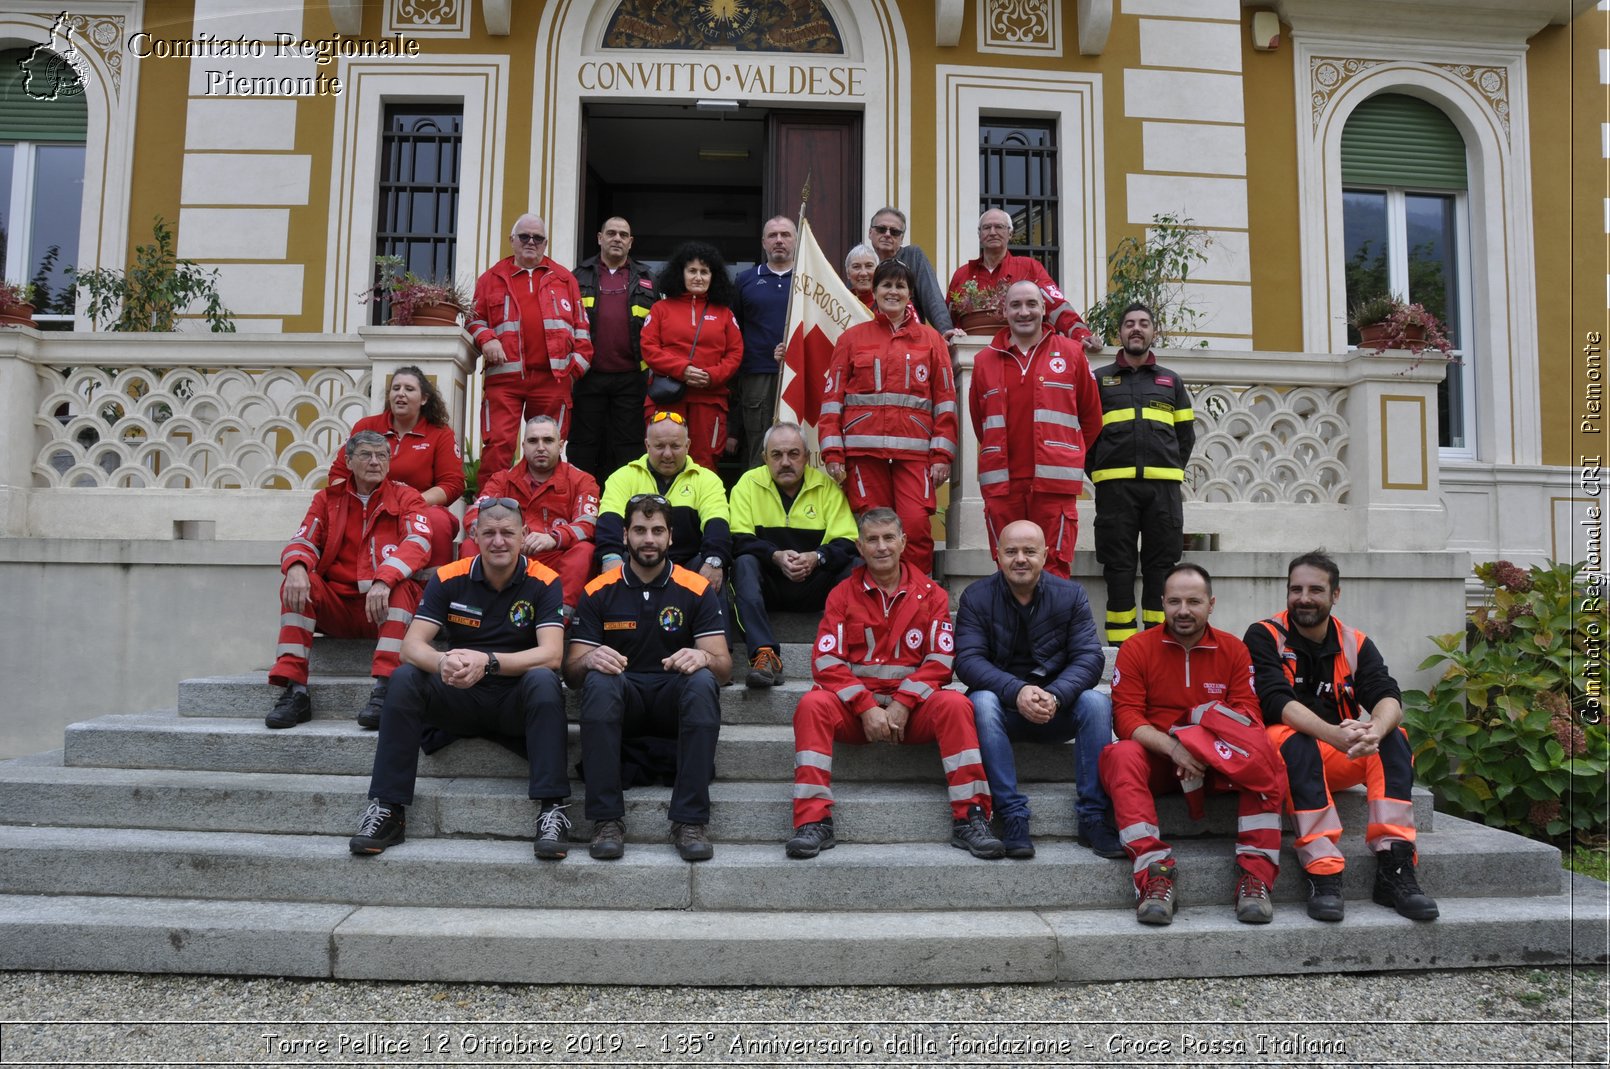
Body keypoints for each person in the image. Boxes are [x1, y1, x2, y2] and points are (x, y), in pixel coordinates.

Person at [348, 498, 572, 859]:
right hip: (458, 693)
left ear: (524, 535)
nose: (498, 541)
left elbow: (552, 654)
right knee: (405, 677)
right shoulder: (449, 577)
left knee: (545, 680)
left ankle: (552, 810)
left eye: (507, 533)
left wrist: (489, 662)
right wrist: (442, 663)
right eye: (489, 533)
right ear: (474, 536)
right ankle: (388, 809)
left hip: (513, 699)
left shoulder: (545, 581)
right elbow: (411, 647)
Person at [786, 508, 1003, 861]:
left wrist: (903, 702)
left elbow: (941, 660)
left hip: (912, 714)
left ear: (904, 542)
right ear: (859, 546)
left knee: (956, 705)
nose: (881, 546)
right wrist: (865, 706)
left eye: (889, 538)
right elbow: (826, 662)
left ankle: (971, 817)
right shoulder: (841, 594)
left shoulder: (932, 594)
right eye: (872, 539)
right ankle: (813, 821)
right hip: (858, 715)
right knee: (811, 705)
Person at [1245, 550, 1439, 922]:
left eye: (1316, 590)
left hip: (1338, 749)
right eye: (1296, 589)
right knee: (1295, 739)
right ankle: (1323, 872)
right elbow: (1274, 701)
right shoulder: (1264, 635)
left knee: (1394, 737)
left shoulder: (1355, 642)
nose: (1304, 598)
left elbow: (1387, 695)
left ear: (1336, 595)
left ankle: (1395, 867)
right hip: (1280, 755)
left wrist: (1374, 731)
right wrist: (1334, 734)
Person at [1097, 564, 1286, 926]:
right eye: (1174, 601)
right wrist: (1173, 747)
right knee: (1120, 754)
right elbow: (1126, 719)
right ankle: (1154, 874)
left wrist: (1198, 745)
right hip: (1159, 762)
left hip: (1216, 762)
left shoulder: (1233, 650)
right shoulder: (1136, 648)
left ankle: (1255, 878)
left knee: (1267, 755)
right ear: (1162, 604)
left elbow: (1248, 716)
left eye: (1194, 601)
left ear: (1211, 604)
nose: (1183, 610)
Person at [567, 493, 732, 861]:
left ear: (671, 537)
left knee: (704, 680)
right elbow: (572, 673)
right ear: (624, 534)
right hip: (623, 696)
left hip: (673, 695)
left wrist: (703, 655)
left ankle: (689, 821)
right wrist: (590, 657)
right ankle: (606, 820)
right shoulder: (598, 590)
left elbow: (724, 668)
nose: (648, 539)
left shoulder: (696, 588)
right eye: (640, 530)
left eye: (657, 530)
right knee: (597, 679)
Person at [954, 520, 1122, 860]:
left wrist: (1057, 695)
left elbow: (1090, 658)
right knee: (981, 701)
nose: (1020, 559)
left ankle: (1093, 817)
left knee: (1096, 703)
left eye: (1030, 551)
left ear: (1045, 555)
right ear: (996, 555)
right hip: (1003, 710)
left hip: (1055, 708)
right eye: (1011, 551)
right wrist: (1016, 691)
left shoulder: (1071, 595)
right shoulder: (975, 597)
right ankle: (1012, 814)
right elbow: (968, 661)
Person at [268, 430, 431, 730]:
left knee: (402, 588)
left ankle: (385, 690)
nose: (375, 462)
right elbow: (303, 538)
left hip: (384, 607)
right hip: (339, 609)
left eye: (382, 456)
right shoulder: (327, 499)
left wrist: (384, 578)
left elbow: (419, 542)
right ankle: (295, 691)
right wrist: (296, 566)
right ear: (348, 460)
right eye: (366, 455)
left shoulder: (407, 497)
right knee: (297, 582)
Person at [818, 258, 957, 576]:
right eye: (886, 285)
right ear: (875, 290)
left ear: (910, 294)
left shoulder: (932, 340)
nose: (892, 292)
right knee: (874, 533)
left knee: (917, 528)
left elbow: (945, 403)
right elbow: (831, 401)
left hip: (915, 455)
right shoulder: (851, 339)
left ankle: (917, 599)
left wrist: (942, 456)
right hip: (863, 455)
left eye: (900, 286)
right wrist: (833, 452)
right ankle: (879, 601)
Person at [970, 281, 1103, 578]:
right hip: (1003, 486)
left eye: (1031, 304)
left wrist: (1066, 454)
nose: (1024, 312)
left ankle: (1052, 627)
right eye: (1015, 305)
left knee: (1054, 567)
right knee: (1009, 568)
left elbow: (1092, 420)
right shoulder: (983, 361)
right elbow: (981, 422)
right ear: (1004, 311)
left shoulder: (1071, 354)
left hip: (1054, 485)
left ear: (1044, 309)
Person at [1088, 302, 1195, 644]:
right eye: (1129, 323)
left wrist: (1169, 468)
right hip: (1115, 489)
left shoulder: (1171, 382)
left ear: (1153, 332)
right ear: (1119, 333)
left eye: (1143, 323)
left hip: (1162, 490)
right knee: (1117, 566)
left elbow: (1185, 437)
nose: (1136, 328)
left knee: (1160, 567)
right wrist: (1101, 471)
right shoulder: (1100, 380)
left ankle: (1156, 640)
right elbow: (1085, 433)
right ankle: (1122, 645)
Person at [728, 422, 858, 688]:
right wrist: (774, 555)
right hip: (770, 586)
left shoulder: (826, 488)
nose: (785, 462)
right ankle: (765, 655)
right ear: (764, 458)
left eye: (793, 454)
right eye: (776, 455)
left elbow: (848, 541)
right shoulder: (747, 485)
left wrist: (816, 557)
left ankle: (847, 653)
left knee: (856, 566)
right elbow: (738, 540)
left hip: (814, 584)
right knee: (743, 563)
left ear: (807, 458)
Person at [468, 213, 592, 474]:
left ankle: (546, 506)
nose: (531, 242)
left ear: (545, 243)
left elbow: (583, 331)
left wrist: (573, 372)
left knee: (548, 447)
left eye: (538, 238)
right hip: (504, 380)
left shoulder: (564, 278)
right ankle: (490, 507)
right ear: (512, 240)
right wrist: (487, 338)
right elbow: (473, 320)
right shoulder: (491, 278)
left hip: (553, 380)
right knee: (498, 444)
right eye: (524, 236)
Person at [326, 366, 464, 568]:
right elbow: (338, 474)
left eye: (409, 389)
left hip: (417, 507)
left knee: (438, 521)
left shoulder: (440, 433)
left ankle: (434, 589)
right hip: (367, 506)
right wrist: (361, 502)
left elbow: (452, 484)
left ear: (424, 398)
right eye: (396, 388)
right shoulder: (366, 426)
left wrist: (411, 502)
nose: (400, 393)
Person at [461, 414, 600, 610]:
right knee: (470, 545)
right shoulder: (502, 479)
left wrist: (555, 537)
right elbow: (476, 512)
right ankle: (477, 611)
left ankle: (559, 618)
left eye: (548, 440)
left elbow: (589, 523)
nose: (541, 447)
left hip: (555, 556)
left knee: (585, 551)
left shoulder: (582, 480)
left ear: (561, 446)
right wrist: (497, 537)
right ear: (524, 445)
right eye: (533, 441)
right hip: (508, 555)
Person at [595, 411, 731, 590]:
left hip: (689, 567)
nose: (667, 454)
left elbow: (717, 524)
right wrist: (611, 558)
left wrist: (714, 561)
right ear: (647, 445)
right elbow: (609, 521)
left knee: (712, 568)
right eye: (659, 446)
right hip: (637, 564)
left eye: (675, 446)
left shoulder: (707, 479)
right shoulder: (622, 477)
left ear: (688, 445)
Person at [640, 241, 744, 471]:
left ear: (713, 276)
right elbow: (649, 348)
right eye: (692, 271)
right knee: (664, 463)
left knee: (704, 465)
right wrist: (683, 370)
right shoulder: (660, 309)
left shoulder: (724, 314)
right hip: (668, 400)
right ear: (681, 274)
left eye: (704, 272)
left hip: (710, 400)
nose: (698, 277)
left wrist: (712, 376)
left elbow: (735, 353)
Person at [572, 216, 658, 484]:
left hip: (632, 377)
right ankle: (583, 504)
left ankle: (627, 507)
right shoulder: (577, 276)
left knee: (629, 447)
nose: (617, 238)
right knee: (584, 446)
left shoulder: (649, 279)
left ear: (631, 242)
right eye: (611, 233)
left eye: (623, 235)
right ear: (600, 238)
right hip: (588, 376)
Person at [947, 208, 1099, 348]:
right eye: (987, 228)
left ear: (1010, 234)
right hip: (971, 356)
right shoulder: (962, 275)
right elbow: (947, 321)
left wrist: (1082, 335)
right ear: (979, 235)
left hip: (1023, 351)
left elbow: (1057, 306)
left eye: (999, 227)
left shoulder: (1030, 268)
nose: (992, 232)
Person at [731, 216, 796, 468]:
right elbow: (735, 328)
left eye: (786, 234)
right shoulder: (745, 280)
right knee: (760, 443)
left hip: (799, 375)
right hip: (756, 375)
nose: (779, 240)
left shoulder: (809, 279)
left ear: (795, 239)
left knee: (797, 444)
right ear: (763, 242)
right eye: (773, 235)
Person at [866, 206, 962, 341]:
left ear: (902, 238)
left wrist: (946, 330)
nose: (887, 234)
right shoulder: (863, 262)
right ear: (870, 232)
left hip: (909, 343)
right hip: (870, 341)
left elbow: (932, 297)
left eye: (894, 232)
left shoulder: (913, 256)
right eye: (881, 229)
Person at [843, 243, 878, 311]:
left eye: (869, 266)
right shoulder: (839, 304)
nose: (863, 273)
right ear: (848, 273)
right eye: (856, 267)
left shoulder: (886, 305)